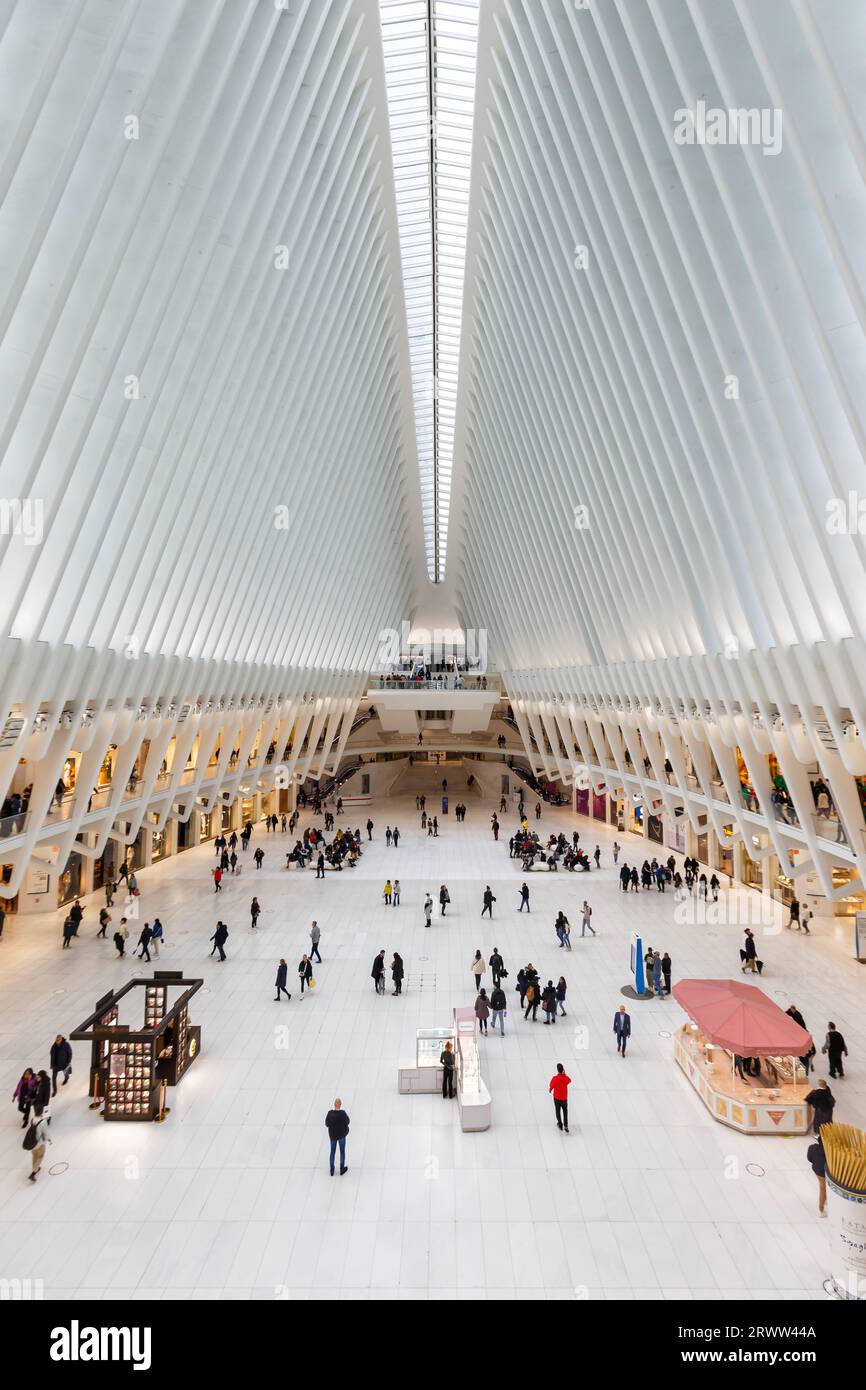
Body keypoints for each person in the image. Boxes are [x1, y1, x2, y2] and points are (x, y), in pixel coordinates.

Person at [25, 1105, 51, 1182]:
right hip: (40, 1143)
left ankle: (35, 1168)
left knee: (34, 1156)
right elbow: (45, 1132)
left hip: (32, 1143)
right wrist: (49, 1139)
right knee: (40, 1156)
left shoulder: (32, 1119)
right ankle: (33, 1173)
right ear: (42, 1112)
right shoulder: (43, 1121)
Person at [325, 1099, 349, 1176]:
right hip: (341, 1135)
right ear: (340, 1104)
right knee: (342, 1152)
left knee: (332, 1152)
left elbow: (327, 1124)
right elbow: (347, 1122)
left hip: (333, 1136)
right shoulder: (343, 1114)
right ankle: (342, 1169)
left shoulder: (330, 1113)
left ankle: (332, 1170)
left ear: (334, 1105)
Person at [806, 1133, 828, 1217]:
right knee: (823, 1189)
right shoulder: (828, 1151)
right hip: (824, 1173)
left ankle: (825, 1200)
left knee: (824, 1188)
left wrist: (816, 1163)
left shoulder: (812, 1147)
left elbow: (809, 1158)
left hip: (816, 1170)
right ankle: (821, 1210)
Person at [549, 1063, 571, 1132]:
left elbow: (551, 1085)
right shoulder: (565, 1078)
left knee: (558, 1111)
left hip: (557, 1098)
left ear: (557, 1070)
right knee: (565, 1111)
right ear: (563, 1070)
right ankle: (566, 1125)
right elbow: (569, 1080)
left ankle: (560, 1124)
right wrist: (564, 1074)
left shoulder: (555, 1078)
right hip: (564, 1098)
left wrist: (550, 1090)